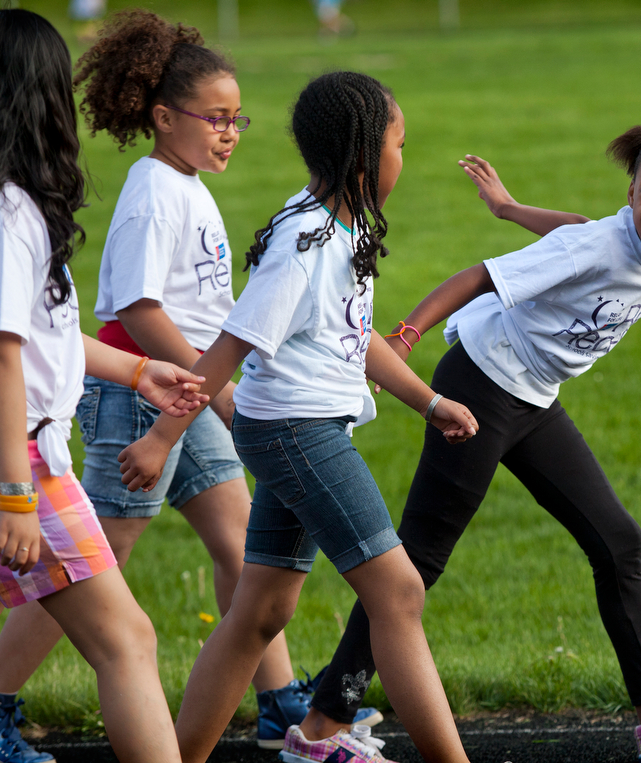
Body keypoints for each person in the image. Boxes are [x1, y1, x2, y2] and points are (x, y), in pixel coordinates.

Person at [0, 11, 378, 762]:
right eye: (215, 119)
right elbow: (136, 310)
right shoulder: (153, 190)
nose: (230, 132)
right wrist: (201, 387)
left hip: (183, 394)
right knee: (93, 556)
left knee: (242, 544)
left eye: (238, 120)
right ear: (163, 116)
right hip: (137, 394)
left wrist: (204, 390)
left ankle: (276, 703)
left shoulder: (189, 185)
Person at [301, 128, 641, 763]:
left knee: (616, 541)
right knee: (415, 566)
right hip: (481, 385)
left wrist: (509, 209)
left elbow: (577, 226)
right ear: (630, 193)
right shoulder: (607, 241)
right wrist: (404, 342)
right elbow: (477, 277)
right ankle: (321, 732)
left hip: (533, 398)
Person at [118, 71, 478, 763]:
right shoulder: (306, 241)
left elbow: (354, 334)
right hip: (295, 430)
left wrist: (428, 401)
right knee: (398, 590)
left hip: (296, 427)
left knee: (261, 608)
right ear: (368, 156)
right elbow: (233, 341)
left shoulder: (341, 227)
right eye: (403, 144)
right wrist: (164, 435)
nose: (407, 159)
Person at [0, 10, 200, 763]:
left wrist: (137, 368)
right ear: (32, 95)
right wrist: (18, 494)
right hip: (5, 467)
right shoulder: (3, 215)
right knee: (127, 641)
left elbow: (35, 338)